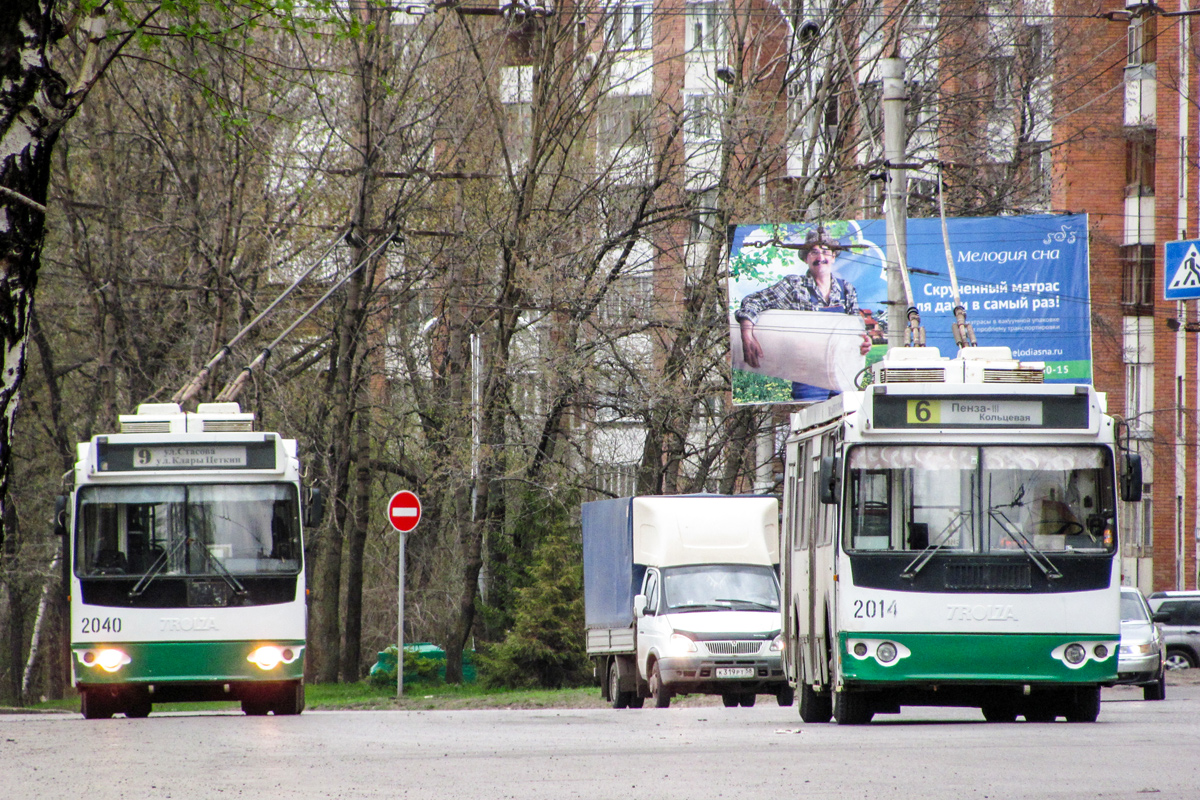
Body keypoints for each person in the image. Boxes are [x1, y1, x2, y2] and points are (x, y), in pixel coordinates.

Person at [734, 227, 873, 401]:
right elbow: (752, 301)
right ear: (806, 258)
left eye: (825, 252)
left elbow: (856, 334)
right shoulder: (794, 286)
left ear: (833, 256)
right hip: (809, 379)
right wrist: (747, 335)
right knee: (813, 423)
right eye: (814, 252)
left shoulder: (846, 289)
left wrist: (864, 343)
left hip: (842, 378)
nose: (820, 258)